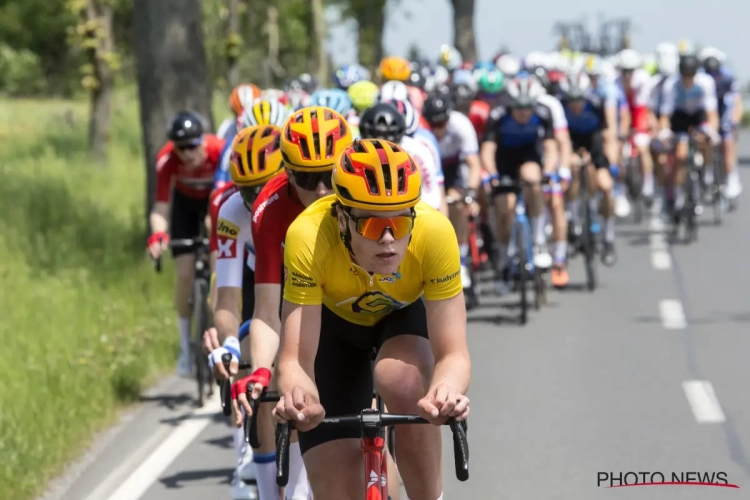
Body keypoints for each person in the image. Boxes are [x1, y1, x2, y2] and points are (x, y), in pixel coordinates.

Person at [267, 138, 471, 499]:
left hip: (400, 318)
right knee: (340, 490)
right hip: (333, 329)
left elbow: (453, 354)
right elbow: (294, 361)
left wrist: (447, 389)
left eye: (400, 221)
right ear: (342, 218)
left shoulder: (435, 232)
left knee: (404, 380)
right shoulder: (308, 236)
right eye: (373, 226)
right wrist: (299, 396)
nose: (389, 238)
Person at [208, 106, 354, 500]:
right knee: (271, 375)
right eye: (309, 178)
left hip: (345, 297)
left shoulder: (351, 199)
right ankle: (267, 473)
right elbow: (237, 299)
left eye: (328, 176)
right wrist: (241, 353)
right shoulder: (250, 211)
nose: (322, 189)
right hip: (281, 286)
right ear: (287, 174)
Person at [206, 124, 286, 499]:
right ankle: (268, 487)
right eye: (247, 189)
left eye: (264, 186)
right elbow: (227, 299)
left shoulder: (304, 201)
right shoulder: (231, 211)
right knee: (260, 375)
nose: (256, 198)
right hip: (262, 290)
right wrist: (228, 342)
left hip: (314, 288)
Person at [146, 111, 225, 376]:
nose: (187, 153)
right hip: (184, 207)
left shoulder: (219, 151)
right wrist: (158, 235)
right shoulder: (167, 159)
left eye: (192, 145)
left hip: (214, 203)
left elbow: (226, 195)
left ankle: (221, 339)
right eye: (181, 148)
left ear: (202, 141)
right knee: (184, 274)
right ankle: (185, 346)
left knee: (217, 274)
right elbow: (160, 206)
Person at [480, 76, 558, 285]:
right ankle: (505, 256)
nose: (524, 112)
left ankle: (539, 239)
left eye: (528, 107)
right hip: (504, 160)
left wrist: (549, 171)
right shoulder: (497, 115)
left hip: (529, 156)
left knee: (532, 178)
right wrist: (491, 173)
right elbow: (488, 149)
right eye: (518, 107)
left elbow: (551, 147)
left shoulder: (543, 113)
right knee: (505, 207)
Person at [360, 102, 447, 214]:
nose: (384, 149)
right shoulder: (352, 151)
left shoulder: (419, 152)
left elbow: (432, 201)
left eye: (390, 143)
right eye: (376, 145)